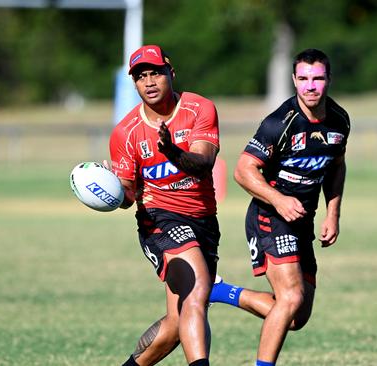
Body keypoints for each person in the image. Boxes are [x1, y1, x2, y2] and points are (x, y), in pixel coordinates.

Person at [209, 48, 350, 366]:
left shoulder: (339, 121)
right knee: (290, 297)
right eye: (303, 79)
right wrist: (279, 199)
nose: (310, 86)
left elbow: (336, 166)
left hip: (303, 221)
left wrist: (333, 213)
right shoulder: (280, 124)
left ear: (328, 80)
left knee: (297, 317)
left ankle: (219, 292)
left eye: (317, 79)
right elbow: (243, 170)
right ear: (293, 81)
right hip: (270, 216)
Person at [108, 44, 220, 366]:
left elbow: (203, 163)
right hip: (159, 220)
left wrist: (173, 152)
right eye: (140, 76)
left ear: (170, 72)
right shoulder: (126, 133)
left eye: (155, 72)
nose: (149, 81)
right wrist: (109, 191)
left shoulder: (199, 108)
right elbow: (127, 199)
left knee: (176, 324)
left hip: (203, 220)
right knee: (197, 290)